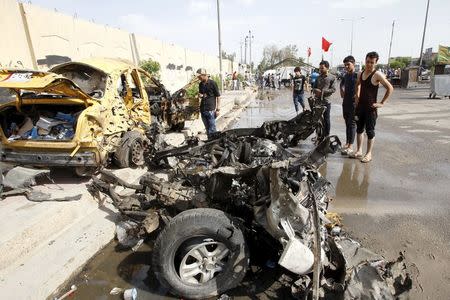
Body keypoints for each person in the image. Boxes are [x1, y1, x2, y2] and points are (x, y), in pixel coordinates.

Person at [350, 51, 393, 163]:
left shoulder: (377, 74)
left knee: (370, 131)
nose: (369, 64)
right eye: (367, 61)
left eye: (372, 62)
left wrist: (382, 103)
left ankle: (368, 154)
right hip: (360, 108)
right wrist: (357, 96)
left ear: (376, 63)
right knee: (359, 129)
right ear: (365, 61)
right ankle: (359, 150)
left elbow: (390, 88)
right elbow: (357, 85)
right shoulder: (360, 73)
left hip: (370, 109)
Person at [339, 55, 358, 155]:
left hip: (353, 104)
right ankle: (347, 143)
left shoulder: (357, 75)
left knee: (352, 124)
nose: (346, 67)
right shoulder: (345, 76)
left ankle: (351, 146)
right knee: (347, 124)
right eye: (345, 65)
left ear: (353, 64)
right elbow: (341, 84)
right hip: (345, 103)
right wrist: (341, 91)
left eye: (348, 65)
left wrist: (357, 97)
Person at [312, 61, 336, 138]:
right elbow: (314, 87)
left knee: (326, 119)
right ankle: (318, 135)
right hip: (317, 101)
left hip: (326, 101)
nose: (320, 70)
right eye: (320, 68)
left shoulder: (332, 77)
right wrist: (315, 90)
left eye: (322, 68)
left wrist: (322, 91)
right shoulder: (318, 77)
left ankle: (326, 135)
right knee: (317, 120)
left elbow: (333, 89)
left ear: (327, 68)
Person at [197, 68, 221, 139]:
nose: (198, 78)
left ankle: (214, 144)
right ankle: (210, 144)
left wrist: (218, 109)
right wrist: (200, 95)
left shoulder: (212, 83)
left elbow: (218, 96)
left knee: (212, 129)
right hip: (203, 110)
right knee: (207, 129)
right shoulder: (200, 84)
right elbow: (202, 95)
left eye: (199, 76)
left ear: (204, 75)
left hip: (210, 110)